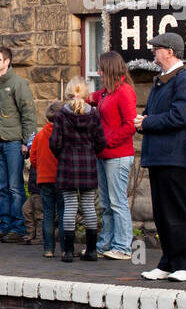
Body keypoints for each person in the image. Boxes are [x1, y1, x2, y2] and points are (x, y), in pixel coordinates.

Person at [134, 32, 186, 281]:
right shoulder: (162, 80)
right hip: (159, 156)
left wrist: (148, 122)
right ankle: (168, 262)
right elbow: (154, 112)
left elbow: (182, 116)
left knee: (176, 210)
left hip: (177, 155)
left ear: (170, 51)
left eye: (157, 48)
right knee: (162, 213)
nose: (153, 52)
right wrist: (143, 120)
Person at [0, 46, 37, 242]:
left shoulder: (18, 83)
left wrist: (27, 143)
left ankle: (18, 227)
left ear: (7, 62)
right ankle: (4, 225)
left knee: (15, 186)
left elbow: (28, 114)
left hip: (14, 143)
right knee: (1, 186)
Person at [50, 78, 107, 262]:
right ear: (85, 94)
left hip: (67, 163)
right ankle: (91, 251)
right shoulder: (94, 114)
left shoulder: (60, 115)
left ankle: (67, 252)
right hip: (88, 163)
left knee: (70, 206)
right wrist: (90, 152)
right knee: (89, 206)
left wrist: (63, 153)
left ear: (68, 94)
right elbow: (101, 142)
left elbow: (55, 143)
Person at [92, 51, 138, 260]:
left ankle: (123, 247)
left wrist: (107, 141)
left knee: (117, 201)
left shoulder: (124, 91)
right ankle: (105, 244)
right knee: (106, 202)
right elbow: (89, 98)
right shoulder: (105, 93)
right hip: (103, 154)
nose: (99, 72)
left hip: (118, 155)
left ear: (109, 69)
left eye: (101, 68)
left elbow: (130, 126)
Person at [28, 102, 64, 258]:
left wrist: (40, 169)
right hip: (61, 178)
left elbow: (33, 158)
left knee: (47, 213)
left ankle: (48, 249)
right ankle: (64, 248)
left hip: (44, 179)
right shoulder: (64, 134)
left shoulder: (40, 135)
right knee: (63, 214)